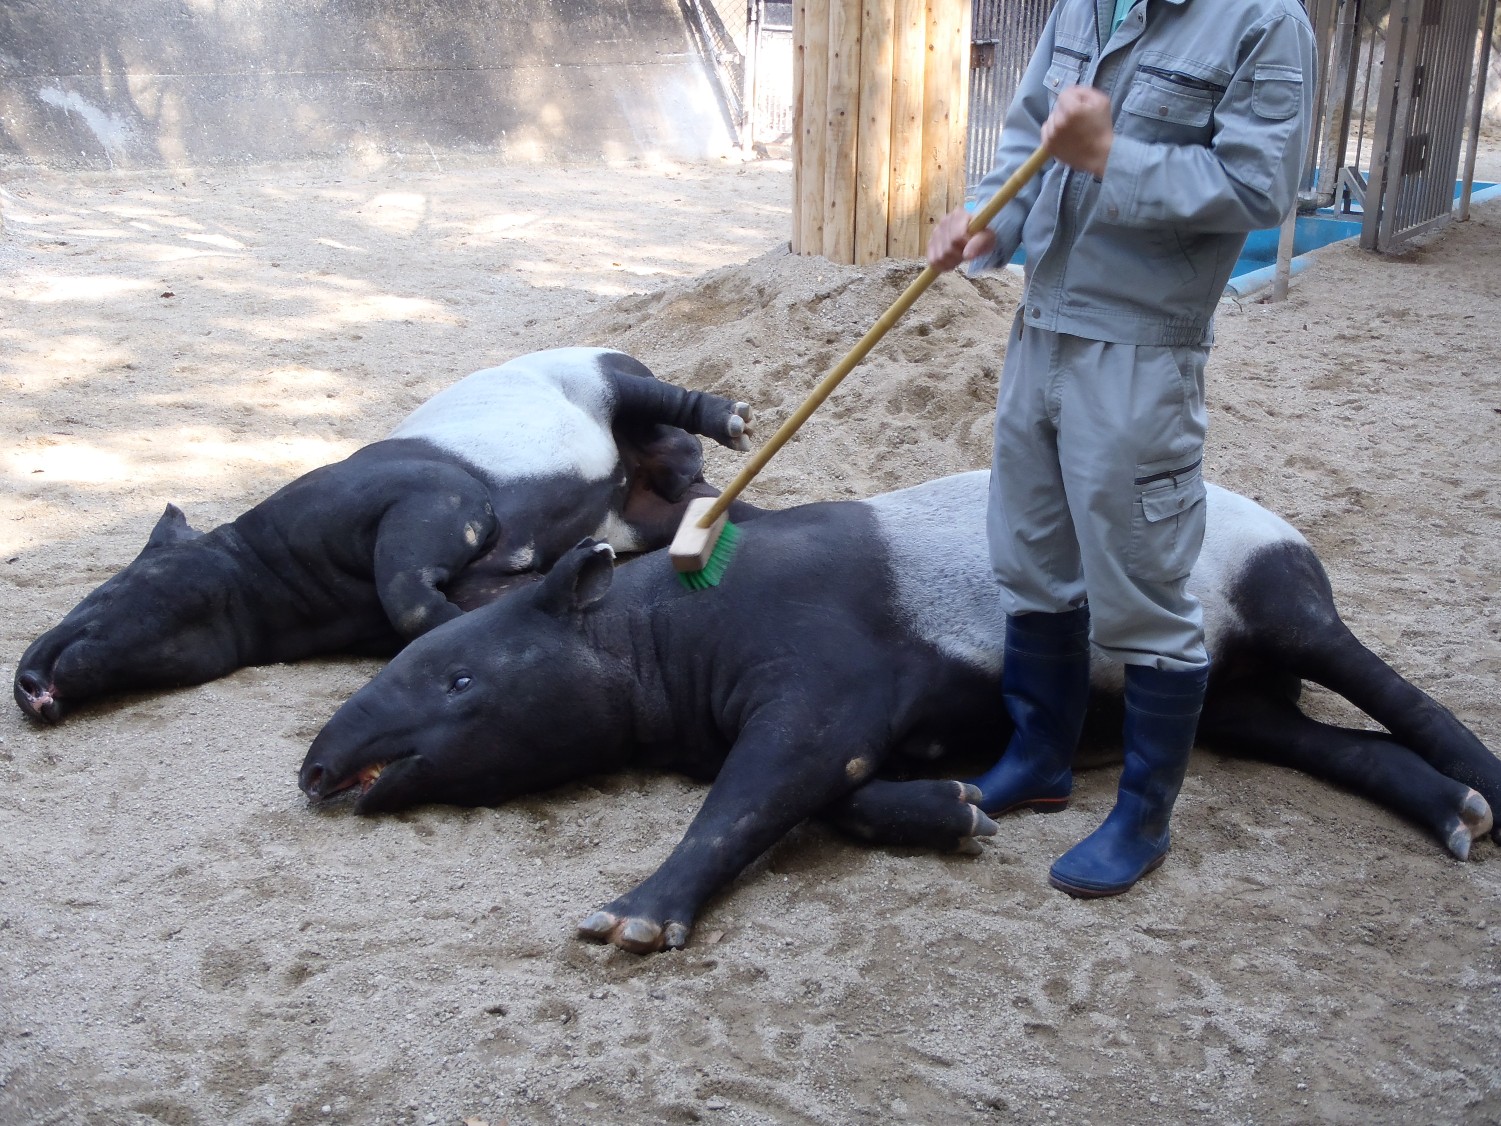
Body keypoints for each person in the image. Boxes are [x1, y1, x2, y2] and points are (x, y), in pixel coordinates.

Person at [927, 0, 1316, 897]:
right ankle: (1040, 757)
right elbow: (1028, 135)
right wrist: (989, 221)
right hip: (1041, 325)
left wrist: (1111, 157)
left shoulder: (1264, 21)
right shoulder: (1083, 4)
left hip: (1142, 346)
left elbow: (1260, 187)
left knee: (1143, 586)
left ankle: (1142, 813)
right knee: (1028, 555)